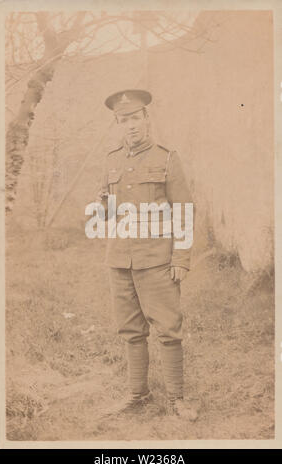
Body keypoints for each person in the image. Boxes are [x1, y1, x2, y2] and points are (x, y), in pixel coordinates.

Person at [95, 89, 196, 419]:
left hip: (156, 259)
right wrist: (104, 208)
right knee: (131, 330)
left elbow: (183, 209)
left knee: (168, 328)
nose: (130, 126)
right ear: (117, 124)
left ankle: (177, 399)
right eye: (123, 120)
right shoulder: (111, 160)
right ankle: (137, 395)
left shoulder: (167, 158)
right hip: (120, 259)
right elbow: (108, 211)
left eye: (135, 118)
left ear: (146, 119)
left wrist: (180, 257)